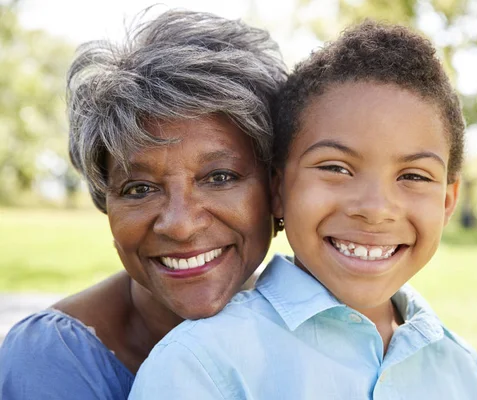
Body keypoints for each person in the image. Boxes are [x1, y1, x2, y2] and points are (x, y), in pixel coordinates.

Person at [130, 20, 477, 399]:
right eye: (336, 168)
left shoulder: (470, 377)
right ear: (278, 189)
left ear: (446, 201)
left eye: (413, 176)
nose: (375, 210)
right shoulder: (200, 368)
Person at [0, 10, 286, 400]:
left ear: (277, 188)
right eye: (139, 189)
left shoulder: (330, 329)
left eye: (219, 177)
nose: (180, 225)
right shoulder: (50, 362)